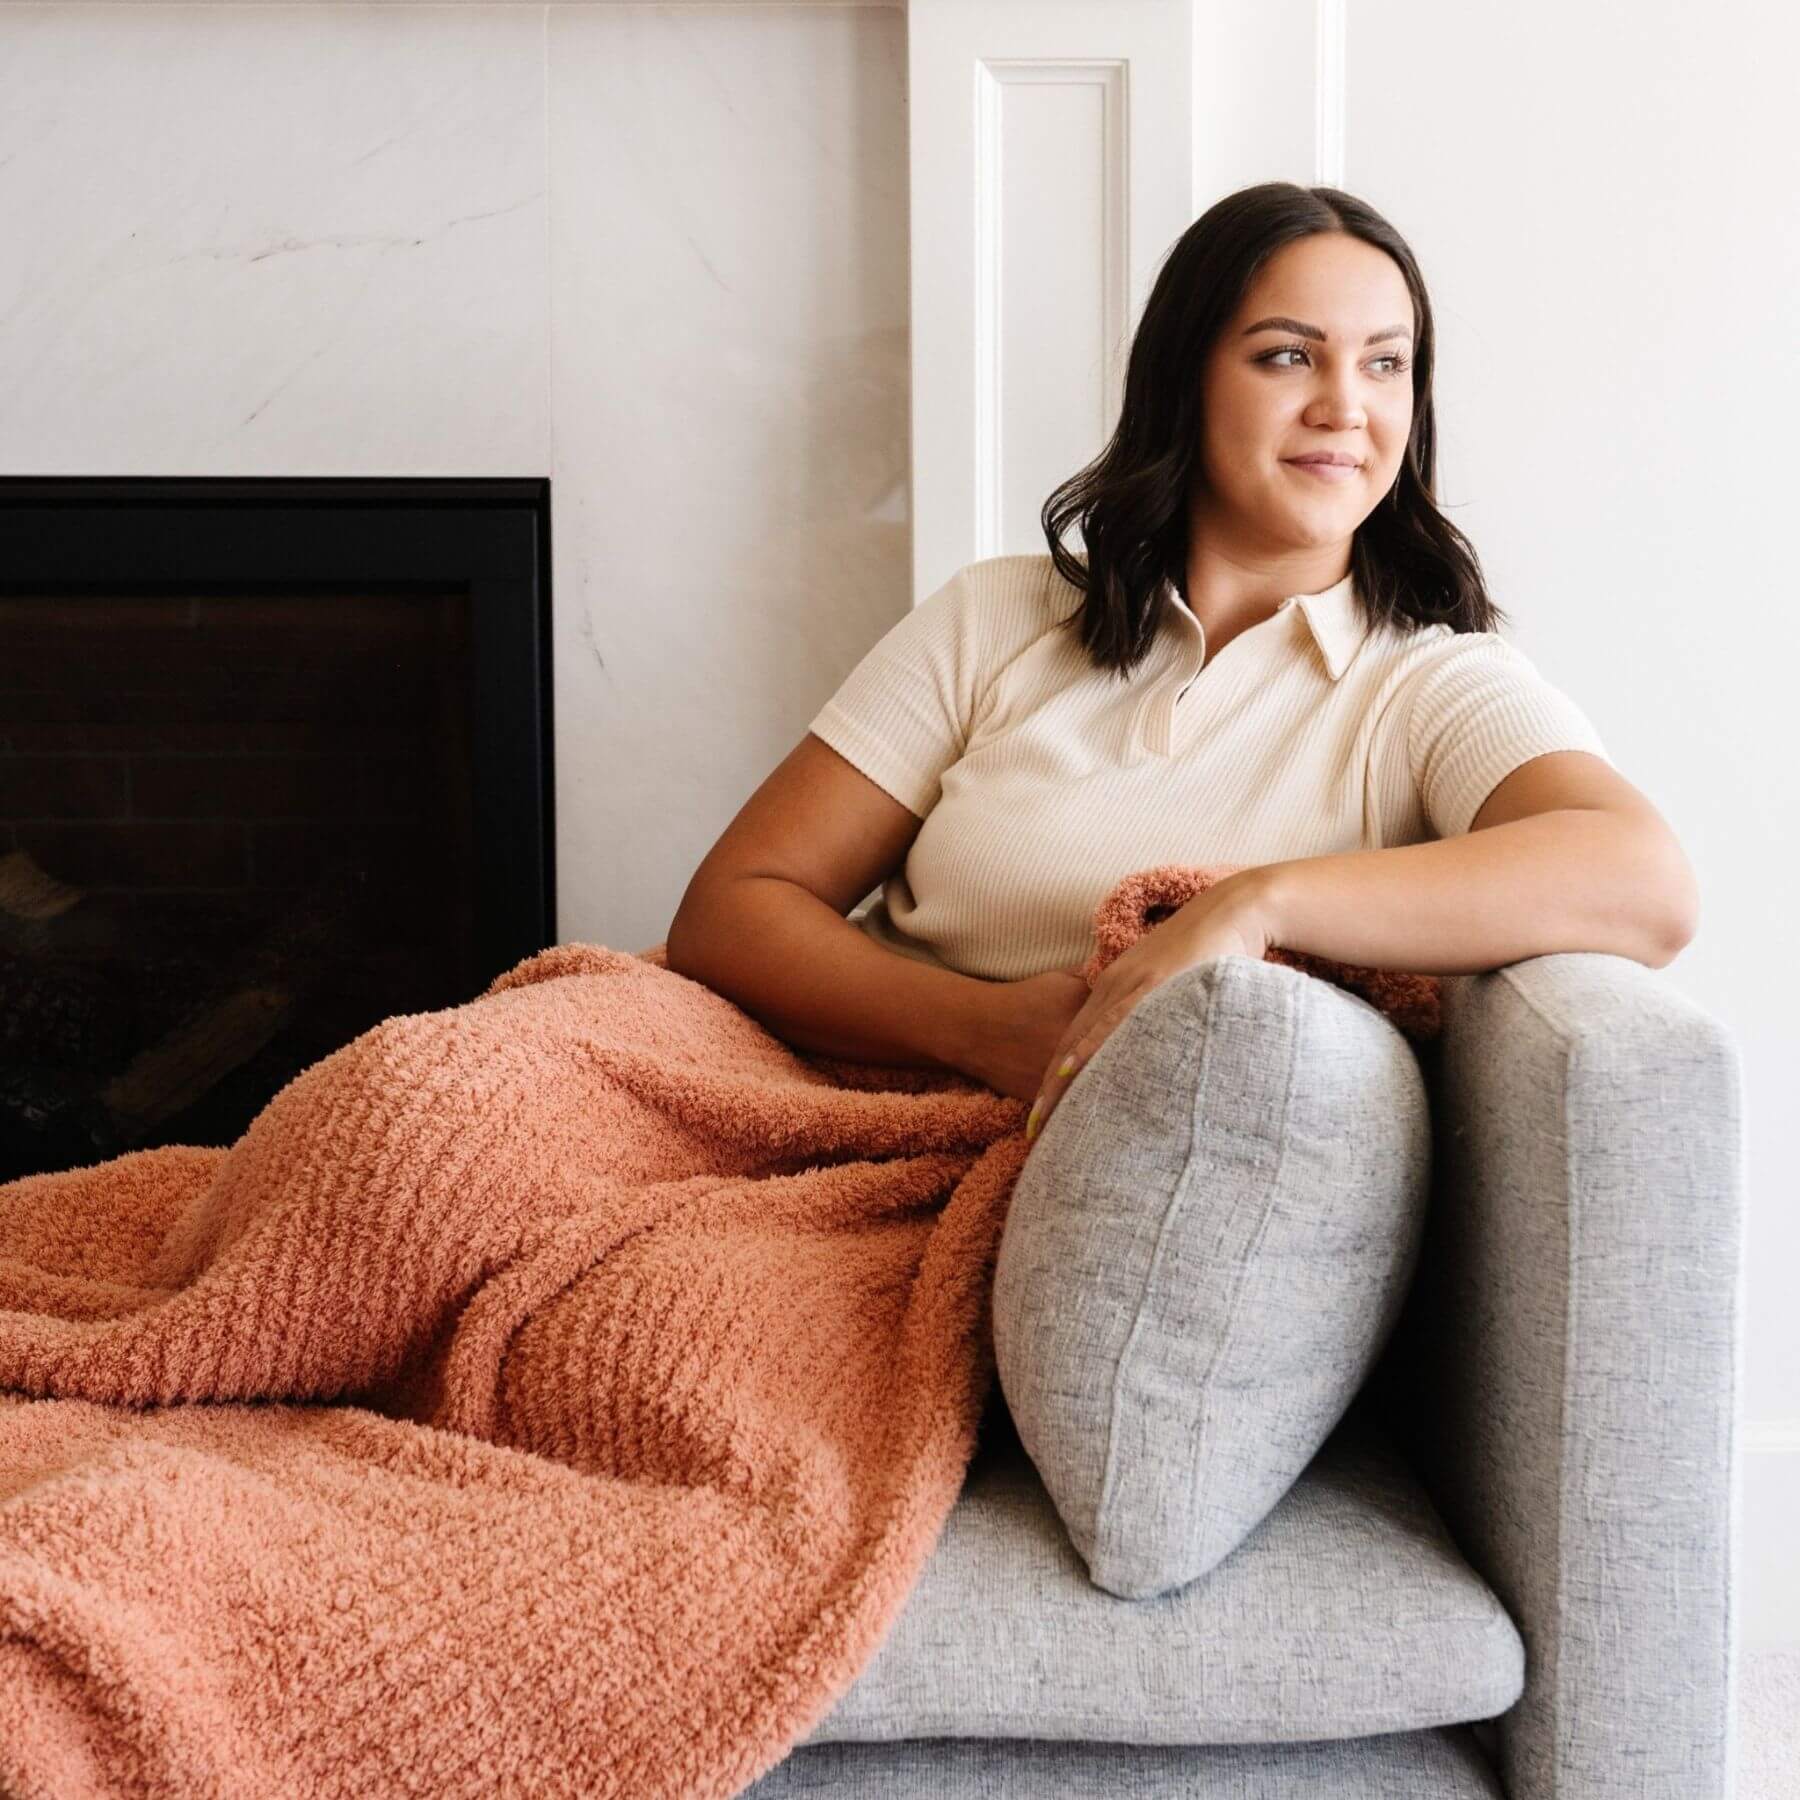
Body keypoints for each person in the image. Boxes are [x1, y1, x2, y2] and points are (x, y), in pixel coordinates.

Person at [663, 181, 1698, 1138]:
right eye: (1289, 354)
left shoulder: (1428, 685)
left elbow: (1644, 883)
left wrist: (1255, 903)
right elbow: (736, 905)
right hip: (835, 1102)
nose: (1347, 404)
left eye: (1387, 361)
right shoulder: (1001, 613)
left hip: (1066, 1173)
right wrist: (976, 1028)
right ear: (1185, 378)